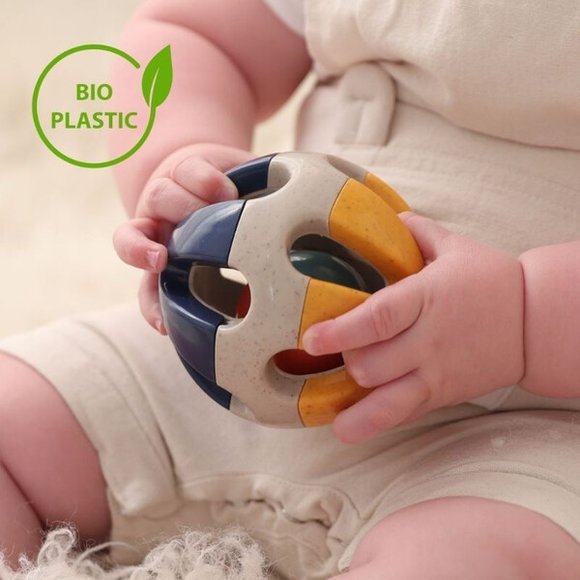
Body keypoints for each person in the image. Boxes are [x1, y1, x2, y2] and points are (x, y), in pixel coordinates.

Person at [1, 0, 580, 577]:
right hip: (231, 340)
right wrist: (181, 159)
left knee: (471, 560)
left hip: (505, 436)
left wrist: (521, 318)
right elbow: (194, 32)